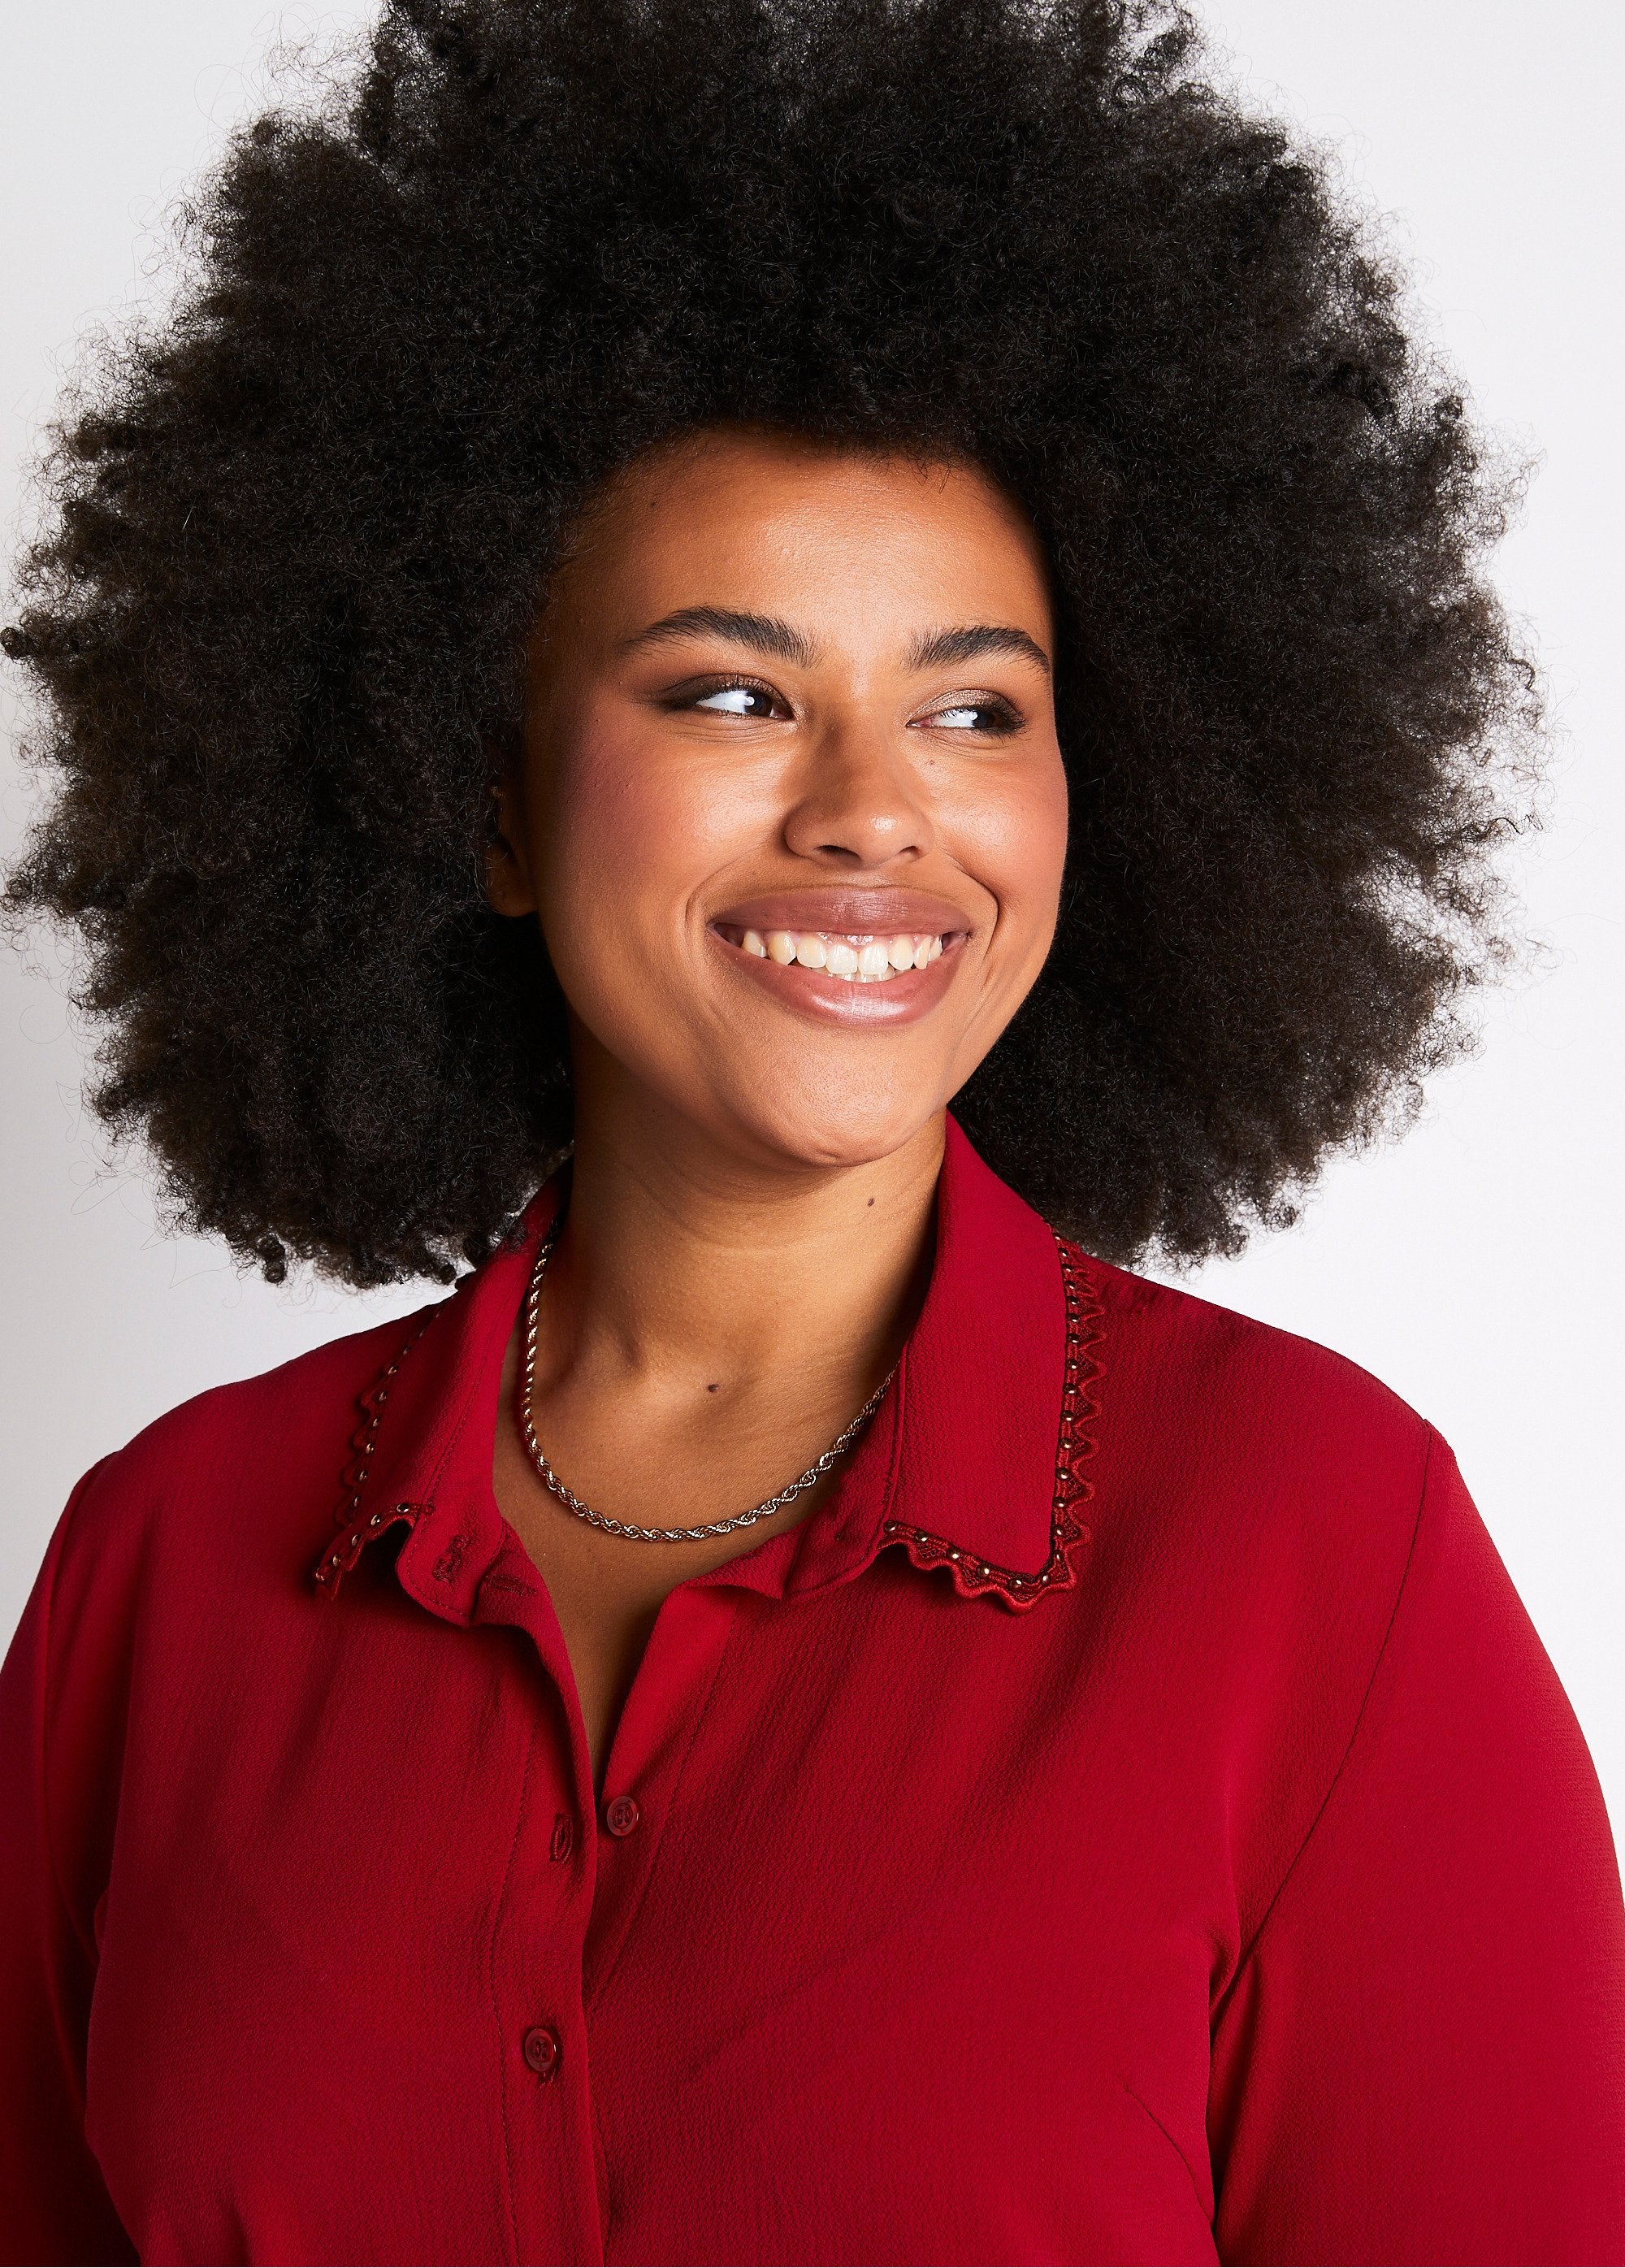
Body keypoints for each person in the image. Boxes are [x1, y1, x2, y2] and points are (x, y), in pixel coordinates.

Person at [2, 1, 1622, 2261]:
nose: (874, 810)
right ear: (485, 801)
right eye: (733, 692)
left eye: (977, 709)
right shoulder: (161, 1569)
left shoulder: (1320, 1562)